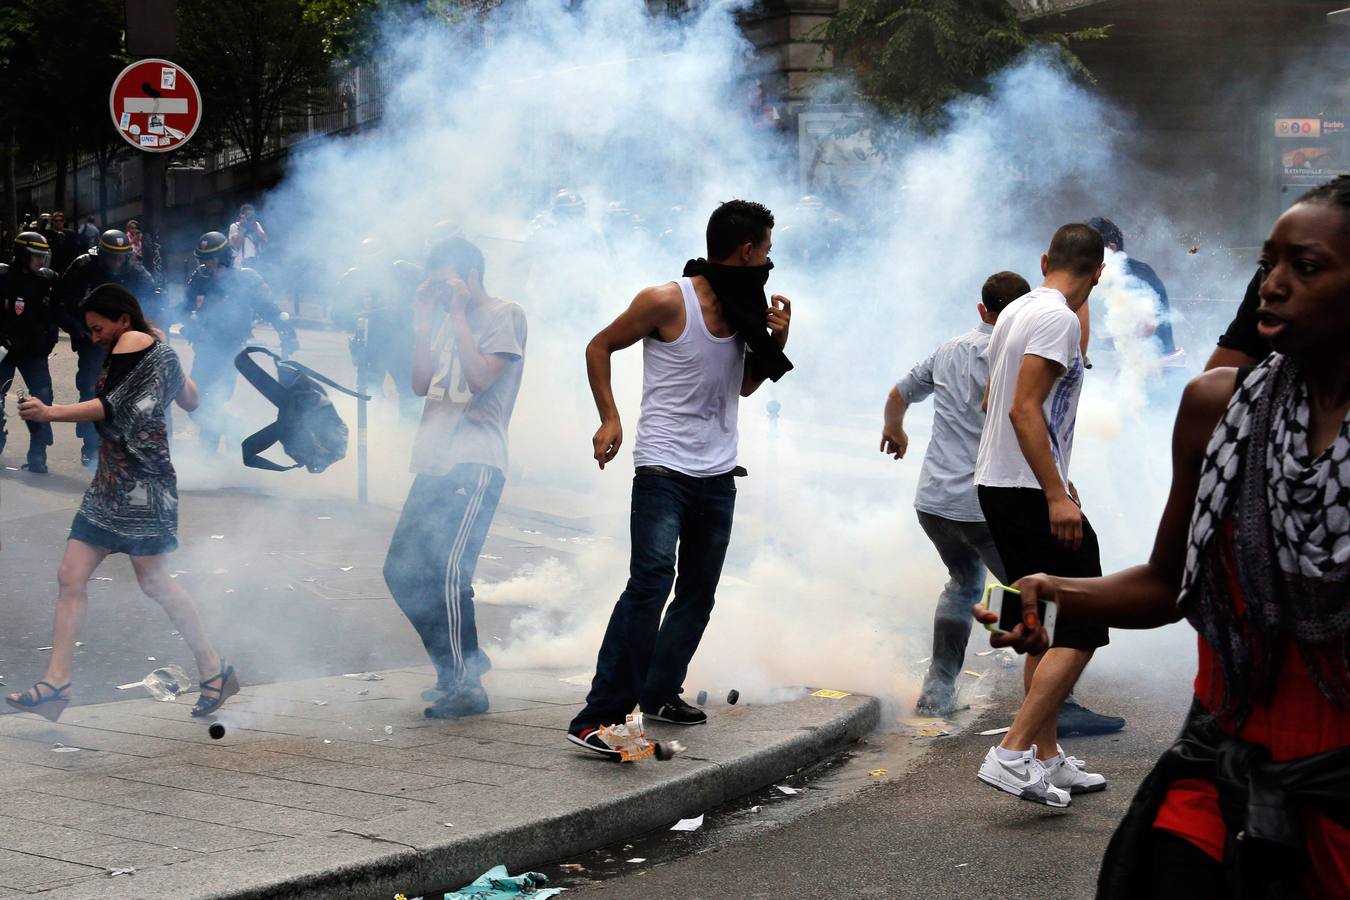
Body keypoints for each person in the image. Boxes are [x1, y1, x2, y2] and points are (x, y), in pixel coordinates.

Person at [984, 176, 1350, 897]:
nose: (1272, 287)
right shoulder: (1217, 409)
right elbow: (1166, 582)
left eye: (1305, 268)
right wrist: (1051, 594)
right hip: (1217, 779)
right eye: (1266, 265)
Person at [566, 200, 793, 757]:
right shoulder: (667, 300)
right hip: (663, 469)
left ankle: (660, 691)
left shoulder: (746, 308)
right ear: (747, 250)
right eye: (766, 251)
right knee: (649, 584)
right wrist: (610, 417)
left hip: (717, 473)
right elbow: (600, 345)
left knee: (697, 593)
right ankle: (598, 717)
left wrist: (777, 340)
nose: (769, 261)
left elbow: (742, 388)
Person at [8, 284, 238, 722]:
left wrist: (48, 412)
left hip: (142, 486)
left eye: (98, 328)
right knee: (70, 575)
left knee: (154, 583)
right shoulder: (155, 347)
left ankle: (214, 669)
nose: (93, 337)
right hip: (113, 483)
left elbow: (111, 407)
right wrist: (169, 355)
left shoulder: (133, 343)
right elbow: (192, 399)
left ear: (122, 321)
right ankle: (56, 684)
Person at [972, 223, 1111, 807]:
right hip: (1027, 491)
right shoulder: (1056, 317)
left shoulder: (1016, 310)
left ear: (1046, 258)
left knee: (1037, 623)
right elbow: (1022, 410)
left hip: (1001, 484)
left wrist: (1052, 471)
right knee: (1082, 624)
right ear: (1098, 274)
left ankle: (1045, 757)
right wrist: (1055, 491)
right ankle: (1009, 751)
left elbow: (994, 399)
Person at [382, 237, 527, 719]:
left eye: (446, 281)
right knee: (400, 570)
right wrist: (426, 320)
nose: (441, 292)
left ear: (470, 276)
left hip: (476, 459)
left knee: (448, 571)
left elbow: (481, 378)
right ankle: (455, 667)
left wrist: (460, 315)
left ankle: (466, 682)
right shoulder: (444, 322)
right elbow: (420, 383)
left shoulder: (505, 314)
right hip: (435, 458)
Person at [882, 272, 1027, 716]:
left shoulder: (949, 350)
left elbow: (898, 393)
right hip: (988, 504)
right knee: (1028, 589)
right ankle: (1055, 694)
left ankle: (938, 690)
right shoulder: (1023, 354)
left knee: (965, 585)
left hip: (936, 503)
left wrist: (894, 429)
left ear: (982, 310)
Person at [183, 231, 297, 455]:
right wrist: (189, 326)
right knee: (192, 402)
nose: (206, 265)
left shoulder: (247, 280)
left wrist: (288, 334)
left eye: (211, 259)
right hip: (205, 350)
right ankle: (233, 427)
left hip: (231, 352)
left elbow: (271, 310)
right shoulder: (200, 278)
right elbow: (186, 309)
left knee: (217, 400)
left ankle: (208, 456)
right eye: (203, 260)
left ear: (223, 257)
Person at [57, 229, 160, 467]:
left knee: (127, 395)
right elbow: (61, 303)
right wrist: (79, 330)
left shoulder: (134, 270)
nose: (116, 262)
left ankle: (125, 445)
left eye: (120, 257)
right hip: (92, 342)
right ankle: (90, 447)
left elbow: (155, 299)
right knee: (91, 391)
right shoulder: (83, 267)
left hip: (123, 343)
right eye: (111, 256)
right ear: (102, 254)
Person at [0, 232, 59, 473]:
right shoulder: (2, 276)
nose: (40, 261)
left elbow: (54, 313)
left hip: (34, 351)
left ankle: (38, 453)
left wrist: (50, 339)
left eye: (43, 256)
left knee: (42, 398)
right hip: (4, 349)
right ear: (22, 255)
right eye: (35, 256)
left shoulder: (47, 280)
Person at [1087, 217, 1179, 359]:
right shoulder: (1111, 276)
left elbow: (1146, 328)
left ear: (1111, 249)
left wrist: (1096, 343)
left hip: (1158, 370)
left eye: (1088, 250)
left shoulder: (1135, 275)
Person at [228, 203, 268, 270]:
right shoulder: (234, 226)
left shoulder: (256, 225)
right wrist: (242, 229)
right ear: (241, 215)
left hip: (255, 263)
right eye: (248, 216)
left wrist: (255, 227)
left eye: (252, 216)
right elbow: (236, 246)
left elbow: (265, 240)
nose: (250, 218)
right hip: (240, 265)